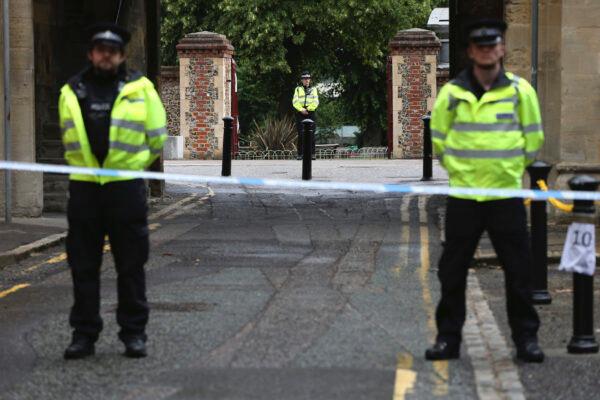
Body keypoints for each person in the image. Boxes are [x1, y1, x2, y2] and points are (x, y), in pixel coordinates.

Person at [425, 19, 545, 363]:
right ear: (471, 52)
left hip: (505, 195)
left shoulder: (521, 92)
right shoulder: (452, 94)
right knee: (452, 272)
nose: (487, 51)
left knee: (519, 272)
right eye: (481, 46)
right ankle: (448, 340)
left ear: (502, 49)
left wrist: (508, 170)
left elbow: (533, 139)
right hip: (464, 197)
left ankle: (526, 340)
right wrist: (462, 172)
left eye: (493, 45)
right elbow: (441, 143)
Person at [59, 23, 167, 359]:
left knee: (131, 265)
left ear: (121, 55)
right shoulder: (70, 91)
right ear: (91, 54)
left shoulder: (142, 89)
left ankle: (134, 334)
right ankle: (84, 335)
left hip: (125, 190)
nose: (106, 55)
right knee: (83, 266)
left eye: (113, 50)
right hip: (86, 190)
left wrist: (132, 167)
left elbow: (156, 138)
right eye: (100, 49)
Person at [292, 71, 319, 160]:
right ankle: (300, 154)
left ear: (310, 80)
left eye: (308, 78)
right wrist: (301, 109)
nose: (306, 80)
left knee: (312, 133)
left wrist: (308, 109)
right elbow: (295, 101)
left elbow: (316, 101)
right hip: (300, 112)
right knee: (301, 134)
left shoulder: (314, 89)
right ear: (302, 80)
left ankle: (312, 154)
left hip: (310, 112)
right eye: (304, 79)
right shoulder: (298, 89)